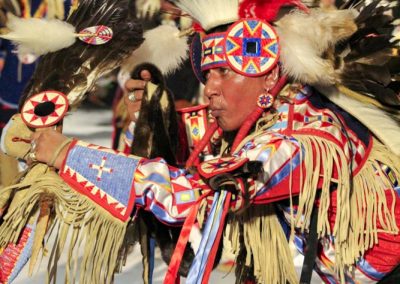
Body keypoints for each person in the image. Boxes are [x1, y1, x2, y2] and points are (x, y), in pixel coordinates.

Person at [2, 0, 400, 283]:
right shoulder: (273, 115)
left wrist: (68, 153)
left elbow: (193, 196)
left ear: (268, 76)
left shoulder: (304, 139)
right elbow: (192, 146)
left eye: (224, 74)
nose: (208, 90)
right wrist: (157, 116)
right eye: (207, 75)